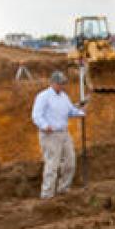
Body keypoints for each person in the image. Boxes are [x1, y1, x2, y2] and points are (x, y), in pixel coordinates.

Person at [31, 71, 86, 199]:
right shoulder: (43, 96)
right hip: (50, 134)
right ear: (53, 83)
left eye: (63, 84)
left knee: (70, 162)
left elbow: (70, 111)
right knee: (52, 164)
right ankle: (47, 194)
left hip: (64, 133)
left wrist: (81, 112)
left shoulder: (64, 97)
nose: (62, 86)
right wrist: (45, 126)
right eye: (60, 83)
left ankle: (63, 188)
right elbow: (36, 115)